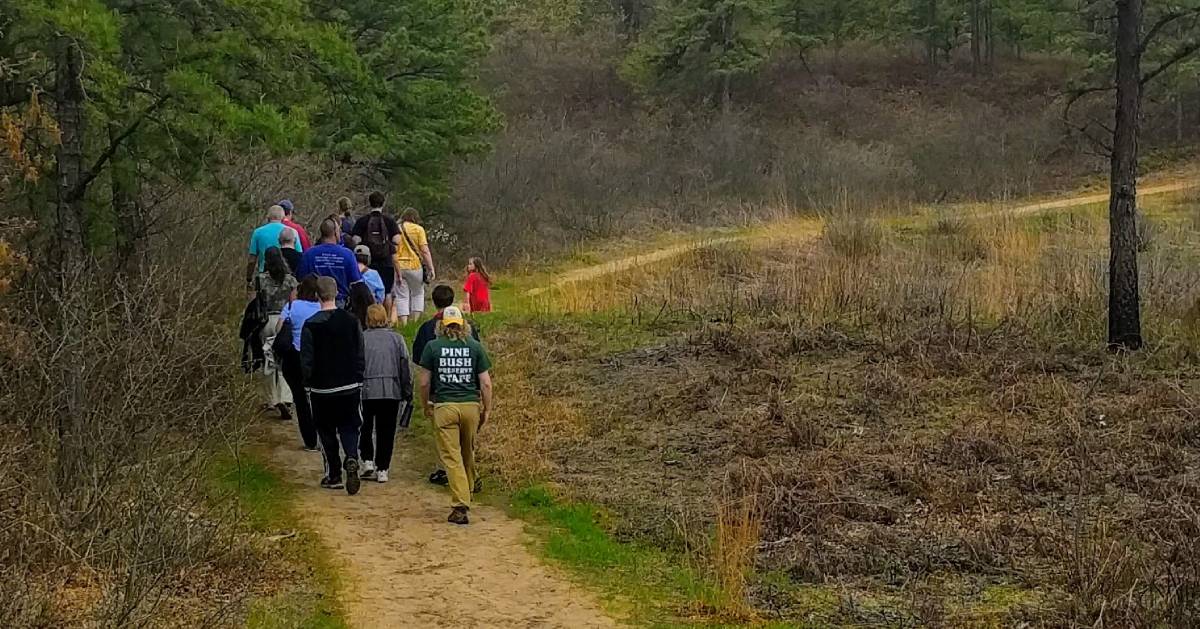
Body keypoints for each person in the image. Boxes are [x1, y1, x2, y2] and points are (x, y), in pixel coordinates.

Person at [418, 306, 493, 525]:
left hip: (445, 406)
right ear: (463, 325)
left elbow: (424, 382)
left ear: (441, 326)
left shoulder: (433, 347)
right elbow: (486, 383)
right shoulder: (475, 347)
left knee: (451, 456)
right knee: (467, 451)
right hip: (470, 405)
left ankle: (460, 505)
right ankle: (468, 488)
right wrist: (487, 409)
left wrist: (426, 405)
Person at [301, 277, 366, 495]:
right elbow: (359, 351)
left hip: (321, 389)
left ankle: (334, 474)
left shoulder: (310, 325)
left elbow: (306, 359)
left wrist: (307, 382)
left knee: (326, 431)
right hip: (349, 384)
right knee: (350, 426)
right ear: (337, 293)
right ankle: (351, 457)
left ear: (316, 296)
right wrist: (359, 376)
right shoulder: (351, 320)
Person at [413, 284, 481, 488]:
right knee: (467, 441)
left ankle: (447, 472)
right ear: (452, 300)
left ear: (433, 301)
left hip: (438, 391)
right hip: (467, 390)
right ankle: (470, 475)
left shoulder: (427, 329)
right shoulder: (469, 329)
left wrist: (425, 400)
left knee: (445, 438)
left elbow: (419, 359)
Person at [360, 304, 413, 484]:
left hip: (366, 389)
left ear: (367, 319)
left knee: (364, 426)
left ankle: (367, 460)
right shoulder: (396, 339)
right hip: (391, 389)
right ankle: (383, 468)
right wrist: (407, 391)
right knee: (386, 430)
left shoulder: (361, 339)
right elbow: (404, 366)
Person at [279, 275, 322, 451]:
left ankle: (310, 440)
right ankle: (323, 434)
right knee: (318, 397)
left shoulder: (292, 306)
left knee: (300, 399)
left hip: (294, 356)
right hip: (316, 357)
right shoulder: (321, 308)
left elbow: (279, 327)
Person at [256, 247, 298, 419]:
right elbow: (293, 303)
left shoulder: (260, 279)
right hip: (283, 322)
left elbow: (256, 302)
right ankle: (286, 397)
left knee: (268, 359)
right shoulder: (290, 281)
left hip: (266, 321)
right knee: (284, 360)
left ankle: (271, 399)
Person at [351, 191, 401, 316]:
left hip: (368, 263)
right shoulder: (389, 221)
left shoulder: (362, 221)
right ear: (383, 204)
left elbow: (355, 240)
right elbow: (397, 240)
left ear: (370, 203)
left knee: (369, 290)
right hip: (386, 262)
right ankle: (386, 319)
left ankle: (369, 317)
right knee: (387, 292)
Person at [298, 218, 362, 305]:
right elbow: (356, 282)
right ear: (336, 232)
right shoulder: (347, 254)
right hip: (340, 303)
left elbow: (301, 278)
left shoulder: (309, 254)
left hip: (314, 302)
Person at [393, 206, 436, 325]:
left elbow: (393, 249)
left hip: (399, 267)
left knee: (402, 296)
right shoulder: (419, 229)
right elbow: (425, 250)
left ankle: (404, 323)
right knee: (417, 293)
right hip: (415, 266)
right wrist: (431, 267)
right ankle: (416, 321)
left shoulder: (397, 228)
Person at [247, 205, 302, 289]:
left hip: (264, 276)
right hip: (288, 276)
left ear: (268, 216)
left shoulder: (258, 232)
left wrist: (249, 278)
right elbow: (299, 254)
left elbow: (252, 260)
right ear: (283, 217)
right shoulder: (291, 232)